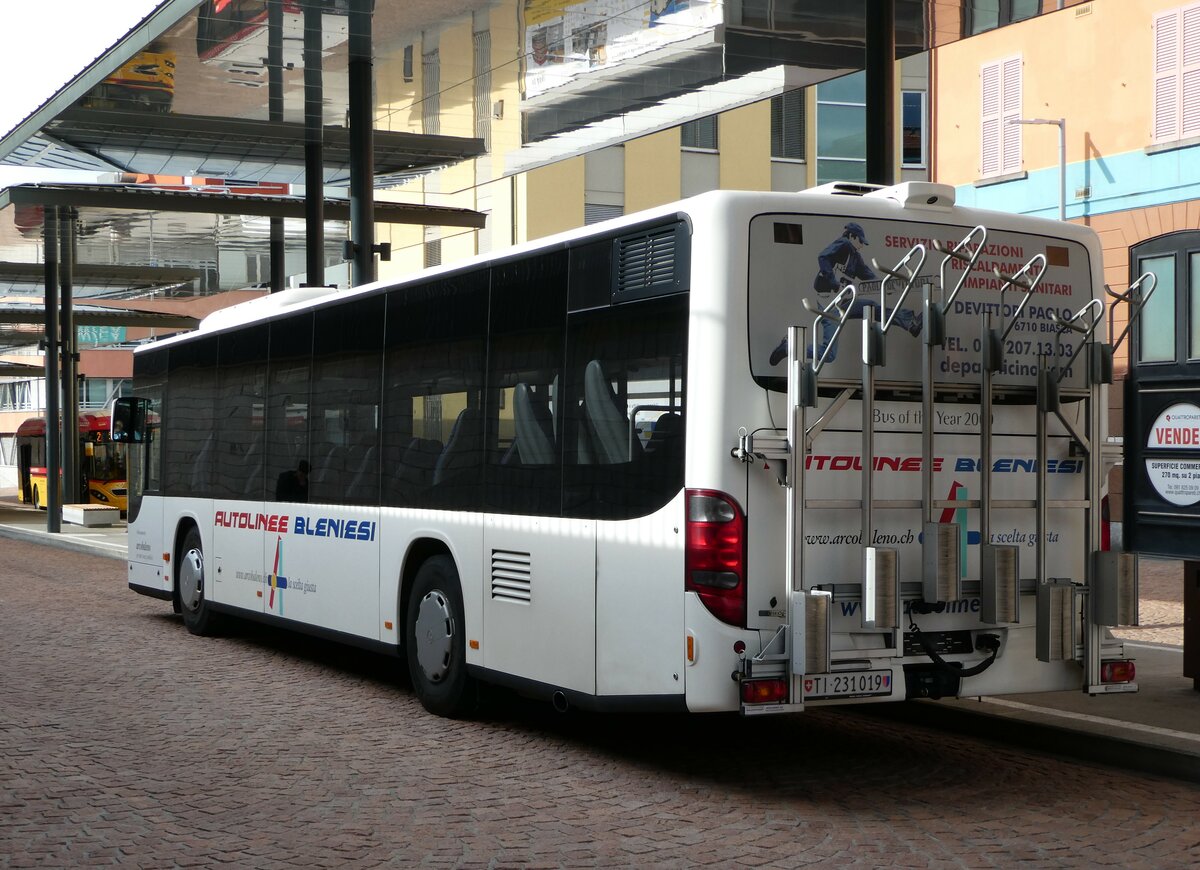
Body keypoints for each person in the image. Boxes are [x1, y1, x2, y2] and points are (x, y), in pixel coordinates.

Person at [769, 222, 922, 365]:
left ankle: (909, 322)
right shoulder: (844, 244)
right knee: (829, 354)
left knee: (872, 307)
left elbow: (868, 275)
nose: (862, 245)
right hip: (829, 303)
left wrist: (886, 286)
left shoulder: (855, 257)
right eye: (860, 241)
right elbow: (823, 257)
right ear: (852, 236)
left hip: (842, 301)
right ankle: (790, 347)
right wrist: (833, 282)